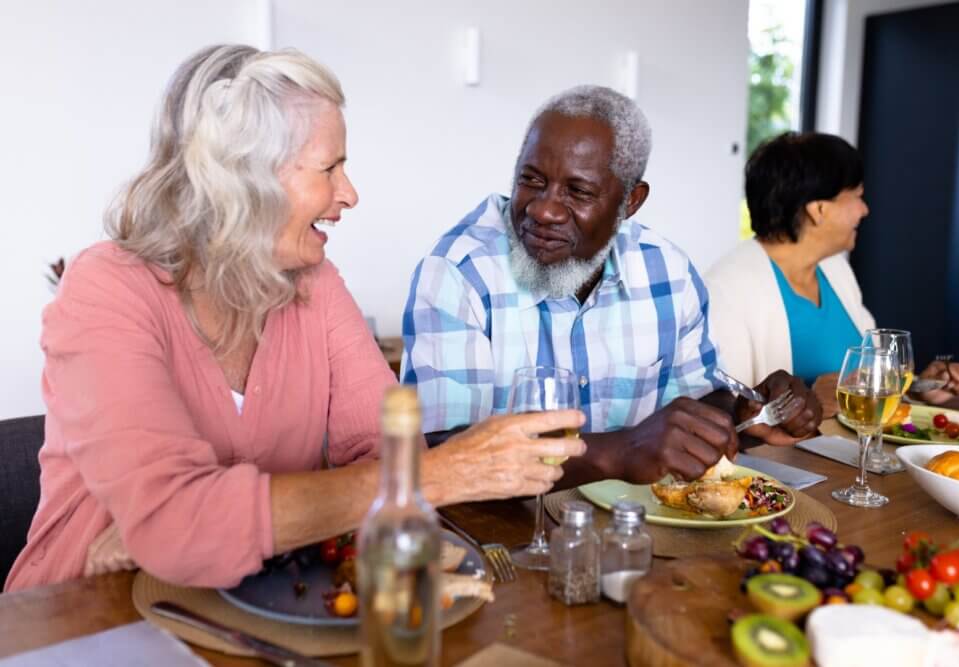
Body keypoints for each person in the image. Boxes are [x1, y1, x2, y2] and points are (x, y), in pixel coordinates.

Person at [5, 45, 585, 592]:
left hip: (261, 596)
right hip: (83, 611)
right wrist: (442, 474)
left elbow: (384, 454)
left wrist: (196, 523)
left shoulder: (315, 283)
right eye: (328, 168)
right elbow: (178, 525)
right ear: (242, 181)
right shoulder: (105, 288)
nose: (350, 193)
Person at [401, 86, 821, 487]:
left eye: (577, 191)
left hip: (636, 532)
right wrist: (619, 451)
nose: (544, 210)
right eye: (531, 180)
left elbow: (696, 399)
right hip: (504, 538)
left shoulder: (666, 270)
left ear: (630, 202)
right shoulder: (459, 272)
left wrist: (743, 412)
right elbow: (446, 452)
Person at [705, 132, 959, 417]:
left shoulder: (835, 269)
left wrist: (920, 387)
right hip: (784, 461)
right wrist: (808, 403)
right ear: (818, 210)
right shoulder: (726, 291)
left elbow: (869, 377)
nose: (865, 210)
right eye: (857, 196)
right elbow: (725, 419)